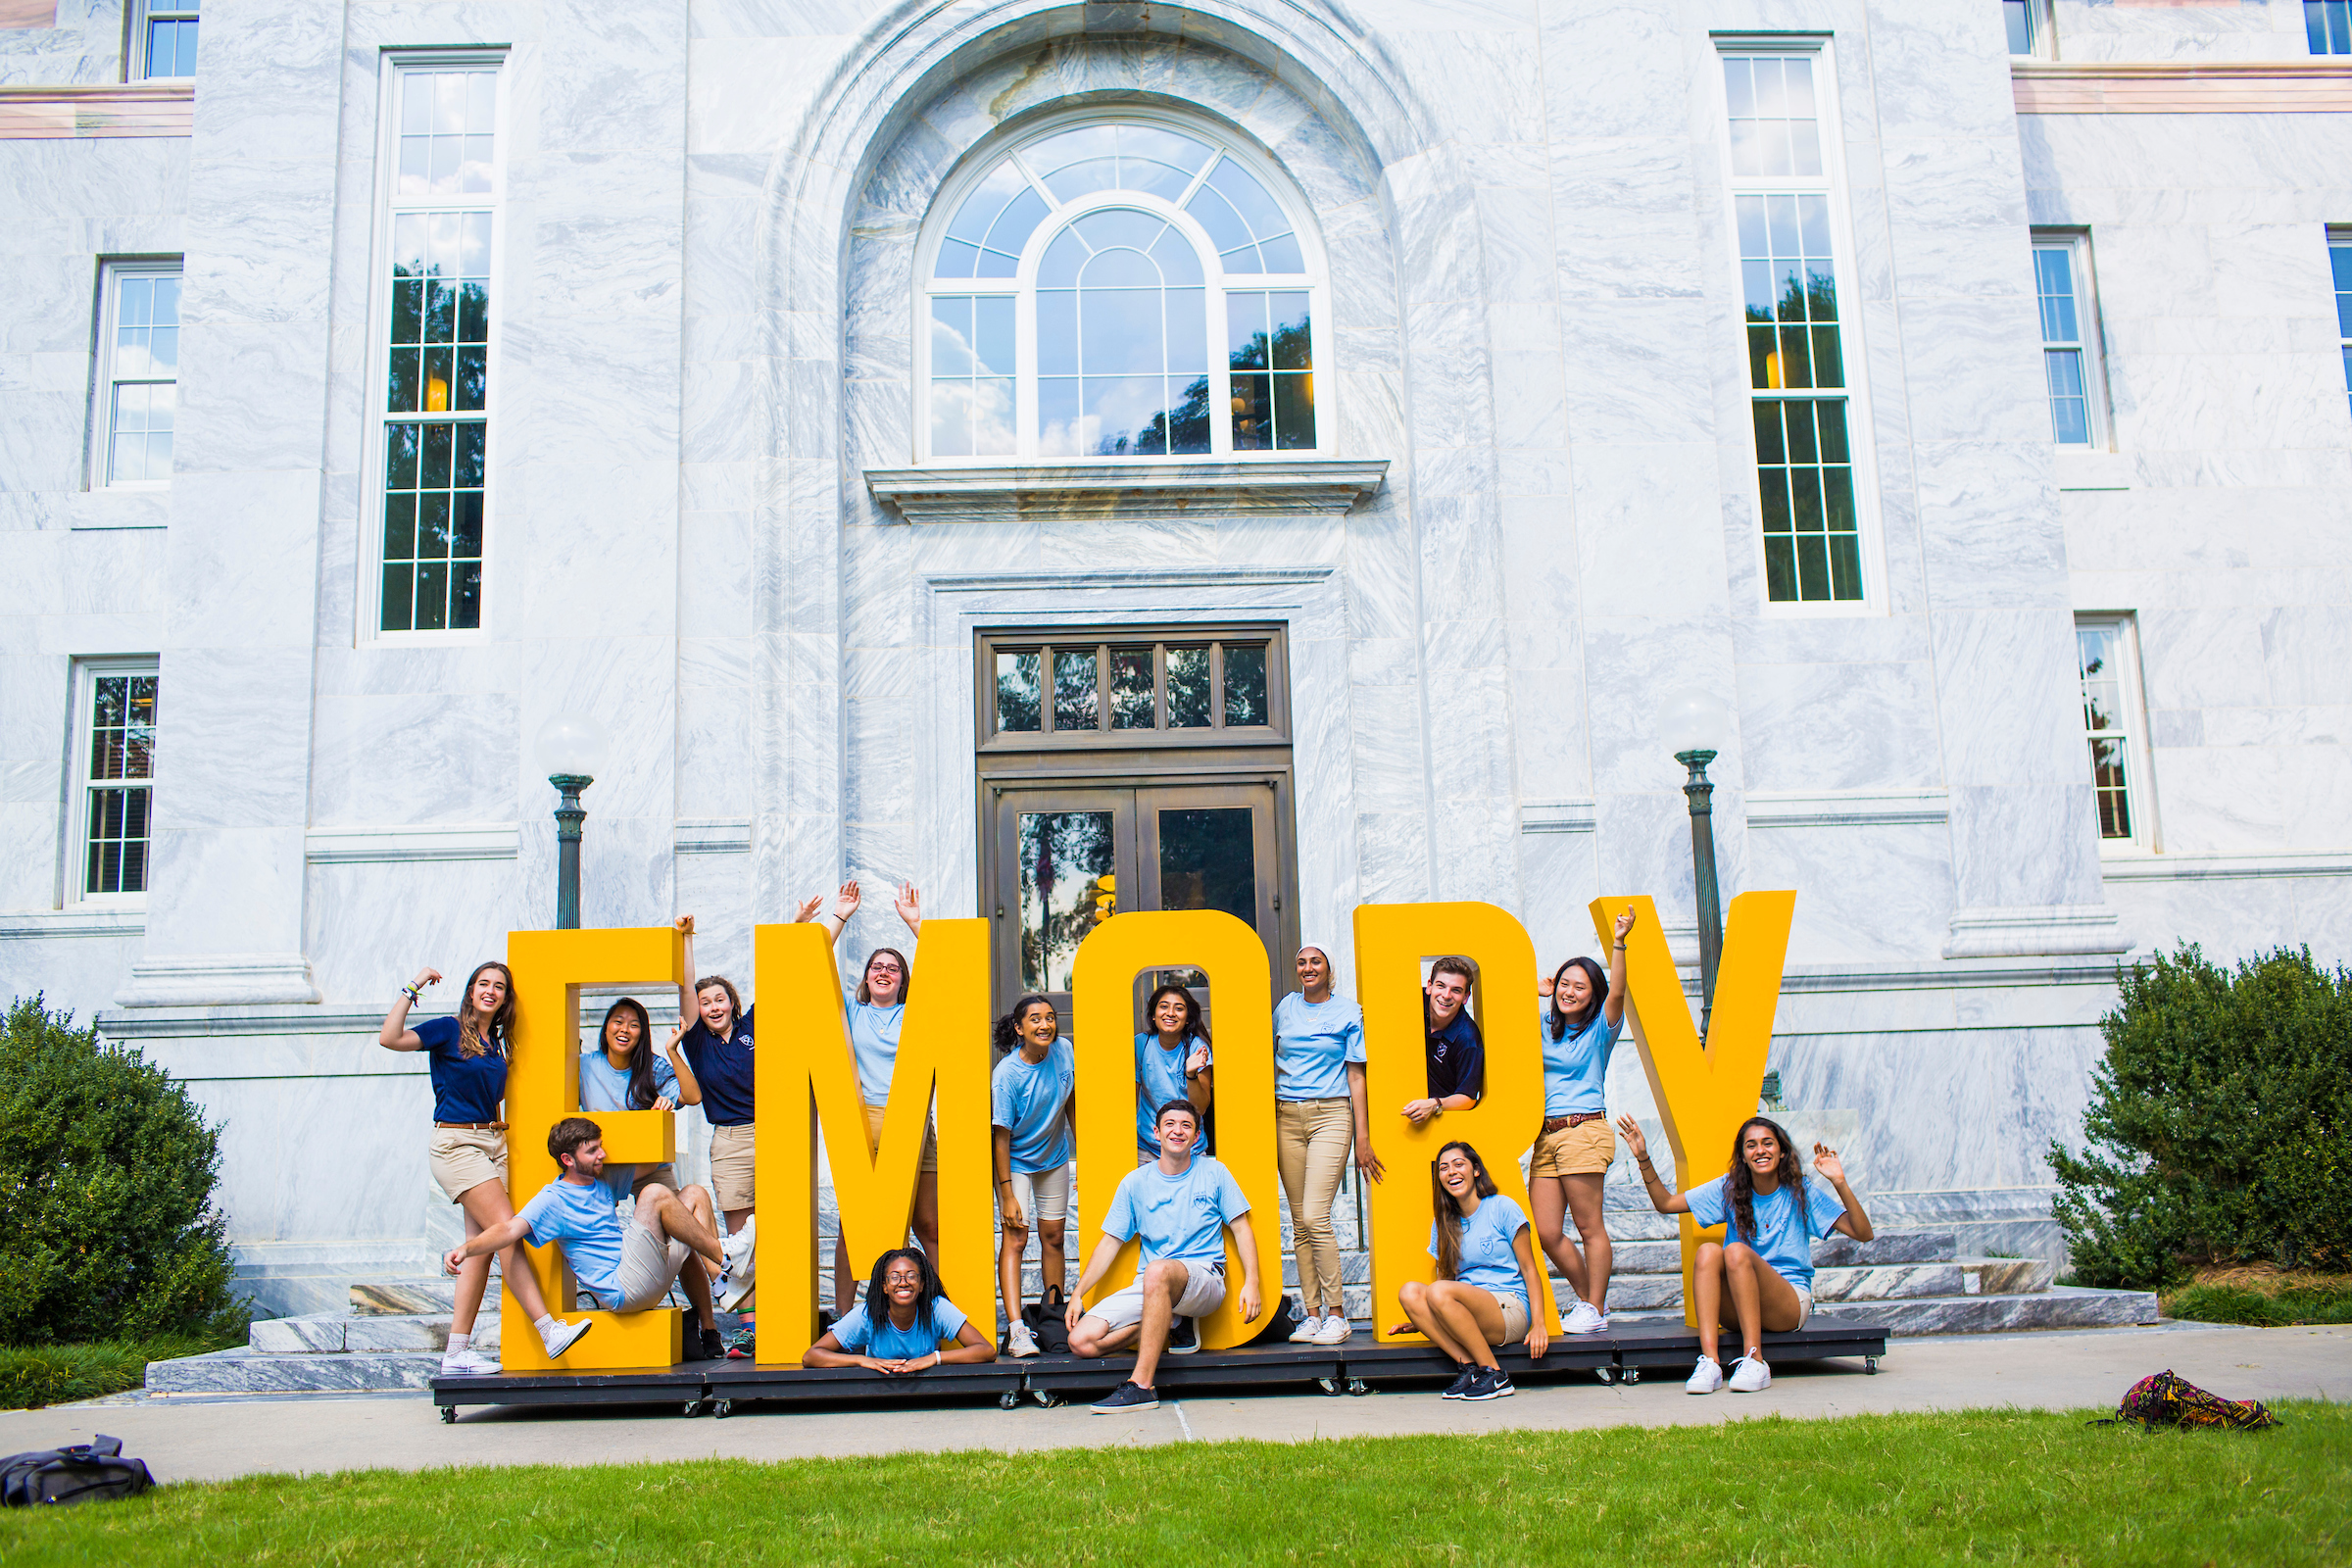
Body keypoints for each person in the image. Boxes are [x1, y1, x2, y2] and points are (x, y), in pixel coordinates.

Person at [380, 960, 590, 1377]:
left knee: (481, 1247)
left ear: (506, 998)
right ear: (471, 991)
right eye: (483, 984)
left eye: (499, 986)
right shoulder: (447, 1029)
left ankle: (456, 1353)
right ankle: (548, 1330)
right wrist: (414, 985)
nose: (490, 991)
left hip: (492, 1142)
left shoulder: (495, 1043)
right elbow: (389, 1038)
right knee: (509, 1231)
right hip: (456, 1144)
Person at [1617, 1113, 1873, 1395]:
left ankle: (1755, 1360)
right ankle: (1710, 1363)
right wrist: (1643, 1157)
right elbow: (1665, 1203)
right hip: (1739, 1306)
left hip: (1787, 1305)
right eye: (1751, 1146)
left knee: (1736, 1252)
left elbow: (1863, 1233)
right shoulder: (1730, 1188)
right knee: (1707, 1253)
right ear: (1743, 1155)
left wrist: (1839, 1181)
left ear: (1782, 1151)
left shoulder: (1800, 1191)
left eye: (1768, 1143)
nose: (1760, 1150)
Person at [446, 1118, 726, 1360]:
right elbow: (507, 1230)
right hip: (623, 1290)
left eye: (600, 1146)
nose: (602, 1154)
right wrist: (466, 1249)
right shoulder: (554, 1200)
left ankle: (722, 1279)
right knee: (653, 1193)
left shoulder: (601, 1179)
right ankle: (724, 1257)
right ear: (567, 1159)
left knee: (694, 1193)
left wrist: (655, 1114)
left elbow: (652, 1161)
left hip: (643, 1271)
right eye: (592, 1150)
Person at [1066, 1099, 1263, 1414]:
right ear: (1156, 1132)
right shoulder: (1135, 1183)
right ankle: (1169, 1321)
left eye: (1186, 1125)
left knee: (1157, 1270)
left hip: (1204, 1278)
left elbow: (1241, 1228)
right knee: (1081, 1341)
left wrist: (1252, 1283)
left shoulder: (1214, 1172)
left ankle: (1142, 1386)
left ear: (1196, 1136)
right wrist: (1078, 1293)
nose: (1178, 1131)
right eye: (1170, 1125)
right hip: (1153, 1283)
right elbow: (1109, 1242)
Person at [813, 879, 940, 1320]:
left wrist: (915, 923)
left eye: (893, 967)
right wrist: (840, 916)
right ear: (866, 978)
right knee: (854, 1227)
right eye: (876, 967)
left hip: (914, 1122)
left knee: (928, 1225)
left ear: (904, 979)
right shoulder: (852, 1011)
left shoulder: (917, 1010)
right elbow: (809, 966)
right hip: (862, 1121)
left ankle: (937, 1313)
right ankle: (846, 1317)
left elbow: (949, 969)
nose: (883, 971)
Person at [577, 998, 729, 1360]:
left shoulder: (653, 1068)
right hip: (607, 1168)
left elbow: (692, 1096)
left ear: (642, 1033)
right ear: (605, 1027)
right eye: (617, 1021)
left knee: (684, 1230)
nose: (624, 1030)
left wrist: (673, 1052)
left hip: (648, 1168)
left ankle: (709, 1325)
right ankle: (724, 1270)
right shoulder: (586, 1066)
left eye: (633, 1024)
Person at [1530, 907, 1636, 1336]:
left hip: (1583, 1130)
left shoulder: (1600, 1029)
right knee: (1547, 1231)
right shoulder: (1542, 1025)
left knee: (1590, 1226)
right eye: (1566, 983)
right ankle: (1595, 1304)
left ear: (1594, 995)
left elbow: (1619, 995)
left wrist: (1619, 943)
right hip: (1545, 1136)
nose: (1570, 992)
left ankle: (1592, 1305)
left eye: (1581, 987)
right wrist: (1533, 992)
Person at [1271, 944, 1377, 1347]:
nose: (1308, 967)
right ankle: (1312, 1315)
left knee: (1316, 1215)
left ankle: (1338, 1314)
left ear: (1329, 970)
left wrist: (1362, 1138)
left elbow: (1356, 1077)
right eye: (1301, 961)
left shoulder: (1350, 1012)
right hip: (1285, 1115)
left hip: (1332, 1114)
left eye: (1316, 961)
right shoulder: (1285, 1008)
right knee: (1300, 1223)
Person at [1391, 1140, 1548, 1400]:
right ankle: (1471, 1369)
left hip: (1509, 1307)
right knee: (1409, 1292)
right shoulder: (1443, 1222)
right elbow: (1445, 1282)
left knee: (1438, 1290)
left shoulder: (1502, 1207)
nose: (1451, 1171)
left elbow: (1530, 1270)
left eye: (1458, 1164)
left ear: (1475, 1170)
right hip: (1468, 1308)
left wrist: (1540, 1323)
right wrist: (1422, 1319)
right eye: (1443, 1168)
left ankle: (1495, 1374)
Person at [675, 912, 763, 1356]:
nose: (712, 1006)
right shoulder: (697, 1042)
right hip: (728, 1141)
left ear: (733, 1002)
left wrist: (806, 922)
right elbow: (686, 988)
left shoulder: (753, 1028)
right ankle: (749, 1327)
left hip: (771, 1133)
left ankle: (786, 1312)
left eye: (719, 999)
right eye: (705, 1001)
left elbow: (788, 972)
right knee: (741, 1239)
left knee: (778, 1227)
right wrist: (687, 938)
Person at [992, 994, 1076, 1358]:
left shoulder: (1064, 1050)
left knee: (1054, 1236)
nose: (1045, 1025)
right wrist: (1007, 1192)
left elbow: (1071, 1099)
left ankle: (1053, 1317)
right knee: (1016, 1238)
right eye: (1036, 1019)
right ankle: (1016, 1330)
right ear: (1019, 1027)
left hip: (1054, 1157)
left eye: (1050, 1017)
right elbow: (1000, 1136)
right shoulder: (1007, 1074)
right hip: (1016, 1163)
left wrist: (1083, 1156)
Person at [802, 1248, 997, 1375]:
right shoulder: (868, 1313)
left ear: (921, 1285)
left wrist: (933, 1358)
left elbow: (986, 1350)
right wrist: (861, 1361)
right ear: (884, 1286)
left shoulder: (937, 1308)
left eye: (911, 1276)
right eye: (894, 1277)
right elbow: (812, 1356)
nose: (903, 1282)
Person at [1135, 983, 1213, 1162]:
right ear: (1153, 1015)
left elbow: (1200, 1108)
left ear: (1187, 1018)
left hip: (1190, 1148)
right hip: (1148, 1147)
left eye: (1179, 1008)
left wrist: (1191, 1073)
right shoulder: (1141, 1044)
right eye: (1164, 1007)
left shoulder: (1197, 1047)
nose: (1170, 1013)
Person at [1403, 956, 1484, 1128]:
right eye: (1441, 986)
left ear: (1465, 997)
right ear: (1429, 986)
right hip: (1397, 1110)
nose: (1446, 995)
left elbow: (1467, 1098)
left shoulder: (1468, 1038)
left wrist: (1434, 1104)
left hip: (1440, 1124)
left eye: (1456, 990)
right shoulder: (1409, 1002)